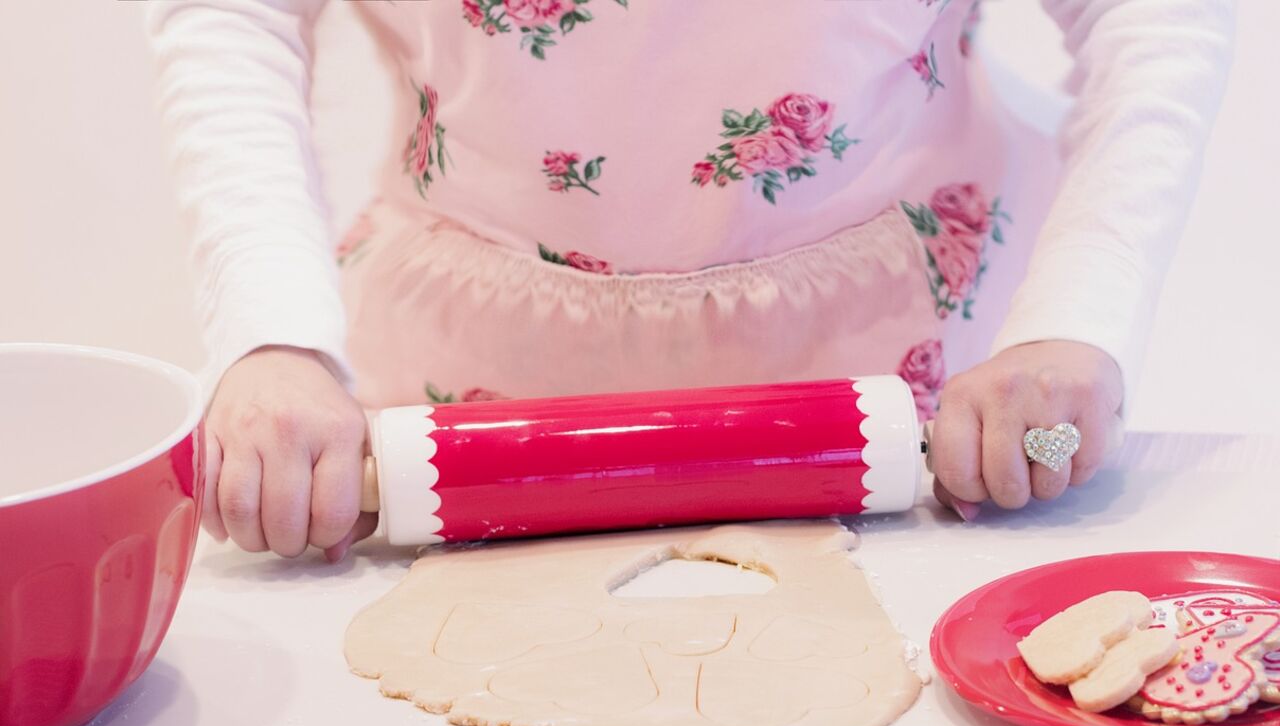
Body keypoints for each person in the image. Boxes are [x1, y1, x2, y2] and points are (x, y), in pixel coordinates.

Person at [146, 0, 1234, 560]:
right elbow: (231, 16)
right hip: (460, 400)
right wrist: (269, 335)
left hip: (919, 386)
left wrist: (1077, 319)